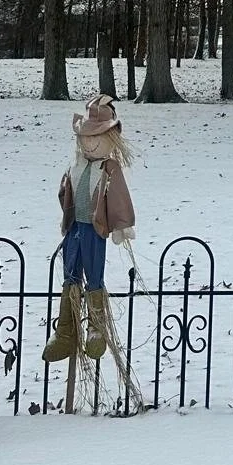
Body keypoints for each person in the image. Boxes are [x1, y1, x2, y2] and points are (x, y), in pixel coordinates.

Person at [42, 95, 136, 363]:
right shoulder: (77, 166)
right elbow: (66, 194)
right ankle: (65, 333)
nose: (89, 142)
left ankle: (96, 329)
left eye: (96, 136)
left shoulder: (110, 168)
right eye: (85, 136)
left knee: (94, 275)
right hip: (74, 229)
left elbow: (119, 197)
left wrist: (121, 225)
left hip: (95, 230)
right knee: (70, 274)